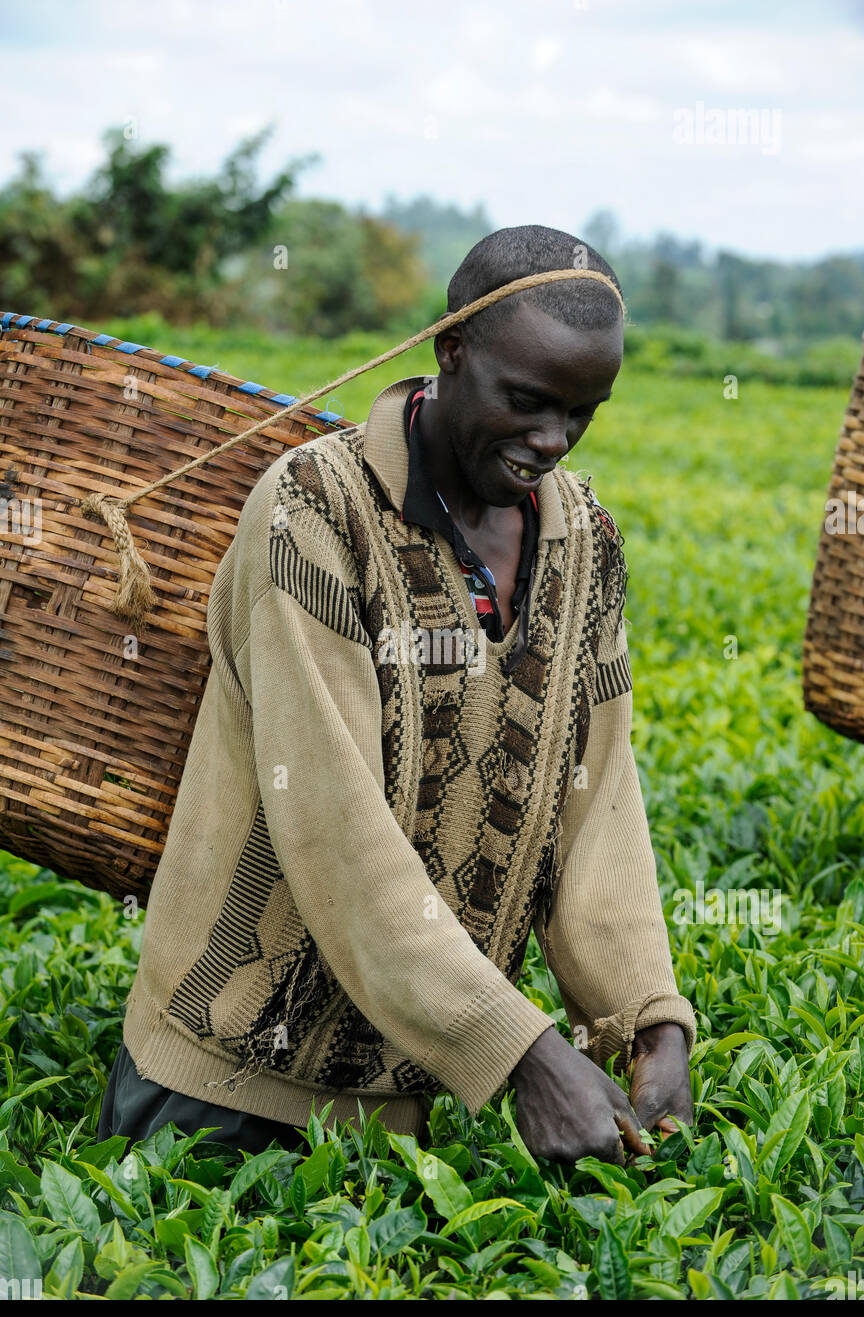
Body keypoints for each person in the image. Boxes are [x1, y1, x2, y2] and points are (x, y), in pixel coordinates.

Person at [98, 224, 696, 1159]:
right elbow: (330, 825)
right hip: (223, 1092)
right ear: (451, 349)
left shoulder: (587, 540)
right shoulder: (311, 511)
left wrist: (649, 1023)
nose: (552, 441)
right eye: (529, 402)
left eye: (584, 412)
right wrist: (526, 1054)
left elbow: (601, 806)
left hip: (411, 1108)